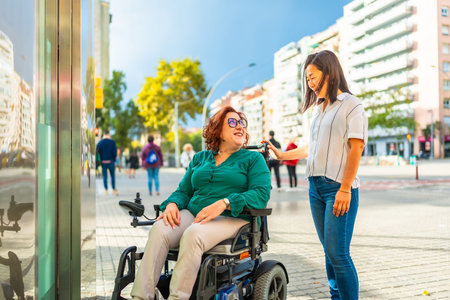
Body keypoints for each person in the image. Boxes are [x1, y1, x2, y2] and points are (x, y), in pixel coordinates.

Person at [131, 106, 271, 300]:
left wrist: (225, 202)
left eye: (242, 123)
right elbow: (184, 191)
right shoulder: (200, 158)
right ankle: (141, 296)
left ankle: (178, 297)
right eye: (232, 122)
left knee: (193, 234)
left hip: (232, 217)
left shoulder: (253, 159)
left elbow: (261, 194)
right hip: (195, 213)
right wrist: (171, 204)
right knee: (159, 229)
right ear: (217, 129)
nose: (239, 126)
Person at [265, 50, 368, 300]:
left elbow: (357, 147)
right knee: (329, 252)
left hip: (338, 189)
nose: (310, 83)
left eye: (313, 76)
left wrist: (345, 188)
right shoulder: (319, 110)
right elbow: (313, 146)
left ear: (330, 72)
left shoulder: (351, 105)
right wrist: (281, 155)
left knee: (338, 254)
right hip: (315, 189)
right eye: (307, 78)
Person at [96, 130, 118, 195]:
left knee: (105, 176)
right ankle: (114, 189)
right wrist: (113, 160)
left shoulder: (100, 143)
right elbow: (115, 152)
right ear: (109, 135)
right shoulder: (112, 142)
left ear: (103, 135)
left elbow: (97, 153)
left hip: (103, 162)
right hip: (111, 162)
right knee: (112, 176)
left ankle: (106, 190)